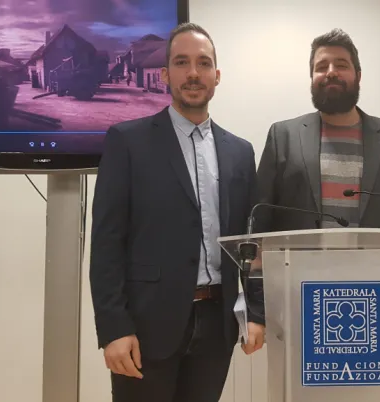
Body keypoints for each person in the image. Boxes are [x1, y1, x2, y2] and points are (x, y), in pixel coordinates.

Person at [89, 23, 264, 402]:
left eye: (204, 63)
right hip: (146, 327)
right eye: (182, 62)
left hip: (217, 326)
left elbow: (251, 246)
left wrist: (256, 313)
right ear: (166, 74)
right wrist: (113, 328)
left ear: (217, 75)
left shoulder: (240, 153)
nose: (193, 73)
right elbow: (106, 243)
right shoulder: (127, 142)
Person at [254, 28, 380, 233]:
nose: (331, 72)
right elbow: (260, 214)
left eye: (341, 65)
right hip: (300, 255)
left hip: (376, 255)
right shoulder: (283, 137)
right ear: (312, 77)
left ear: (358, 76)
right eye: (321, 67)